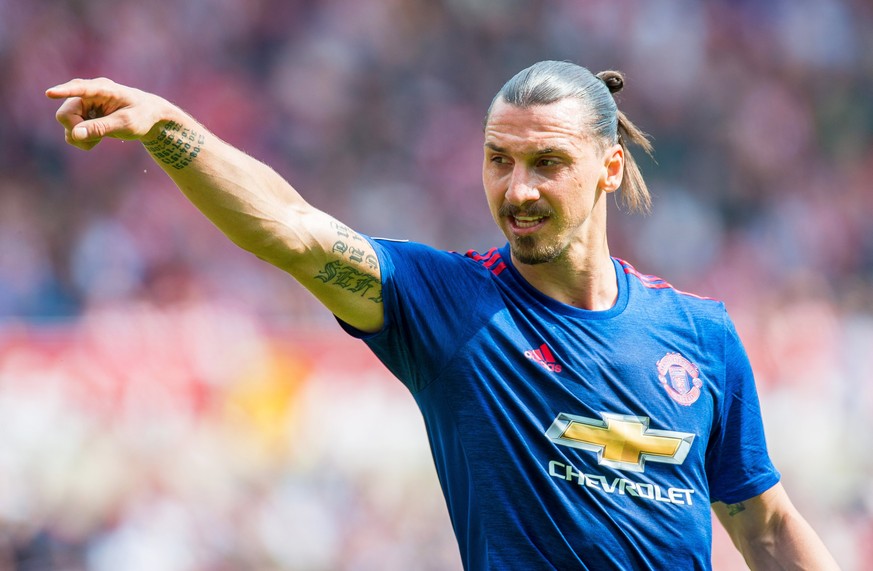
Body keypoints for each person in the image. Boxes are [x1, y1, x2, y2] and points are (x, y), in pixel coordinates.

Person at [47, 61, 839, 570]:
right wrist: (168, 126)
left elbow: (763, 524)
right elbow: (290, 229)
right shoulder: (450, 304)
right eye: (499, 159)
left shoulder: (700, 335)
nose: (517, 189)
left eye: (546, 163)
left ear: (608, 167)